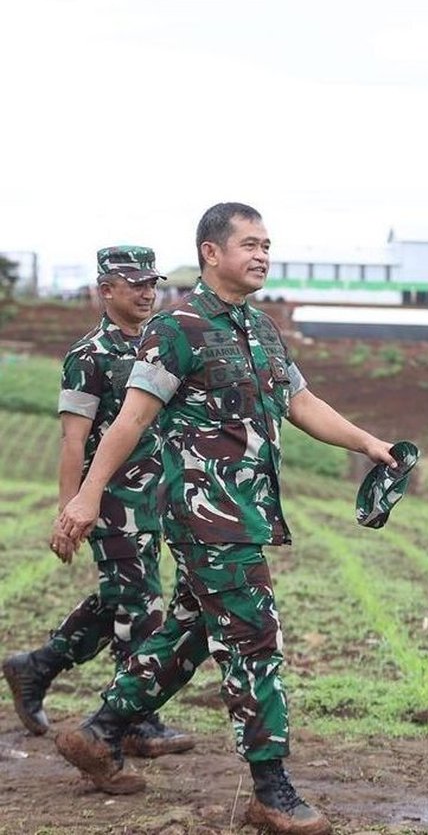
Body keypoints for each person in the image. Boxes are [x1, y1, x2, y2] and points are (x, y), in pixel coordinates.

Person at [55, 205, 397, 834]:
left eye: (267, 244)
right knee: (254, 638)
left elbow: (301, 402)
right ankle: (271, 789)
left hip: (248, 511)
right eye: (249, 244)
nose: (262, 254)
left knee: (189, 630)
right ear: (211, 254)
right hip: (206, 512)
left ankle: (101, 731)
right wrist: (83, 495)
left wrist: (368, 443)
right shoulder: (175, 328)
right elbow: (129, 420)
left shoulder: (261, 328)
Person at [2, 245, 194, 758]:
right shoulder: (88, 356)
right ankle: (135, 720)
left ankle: (36, 666)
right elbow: (72, 440)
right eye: (135, 284)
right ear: (105, 290)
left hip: (154, 499)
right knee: (140, 605)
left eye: (151, 282)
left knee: (122, 599)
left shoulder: (158, 344)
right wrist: (70, 510)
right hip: (108, 502)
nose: (147, 292)